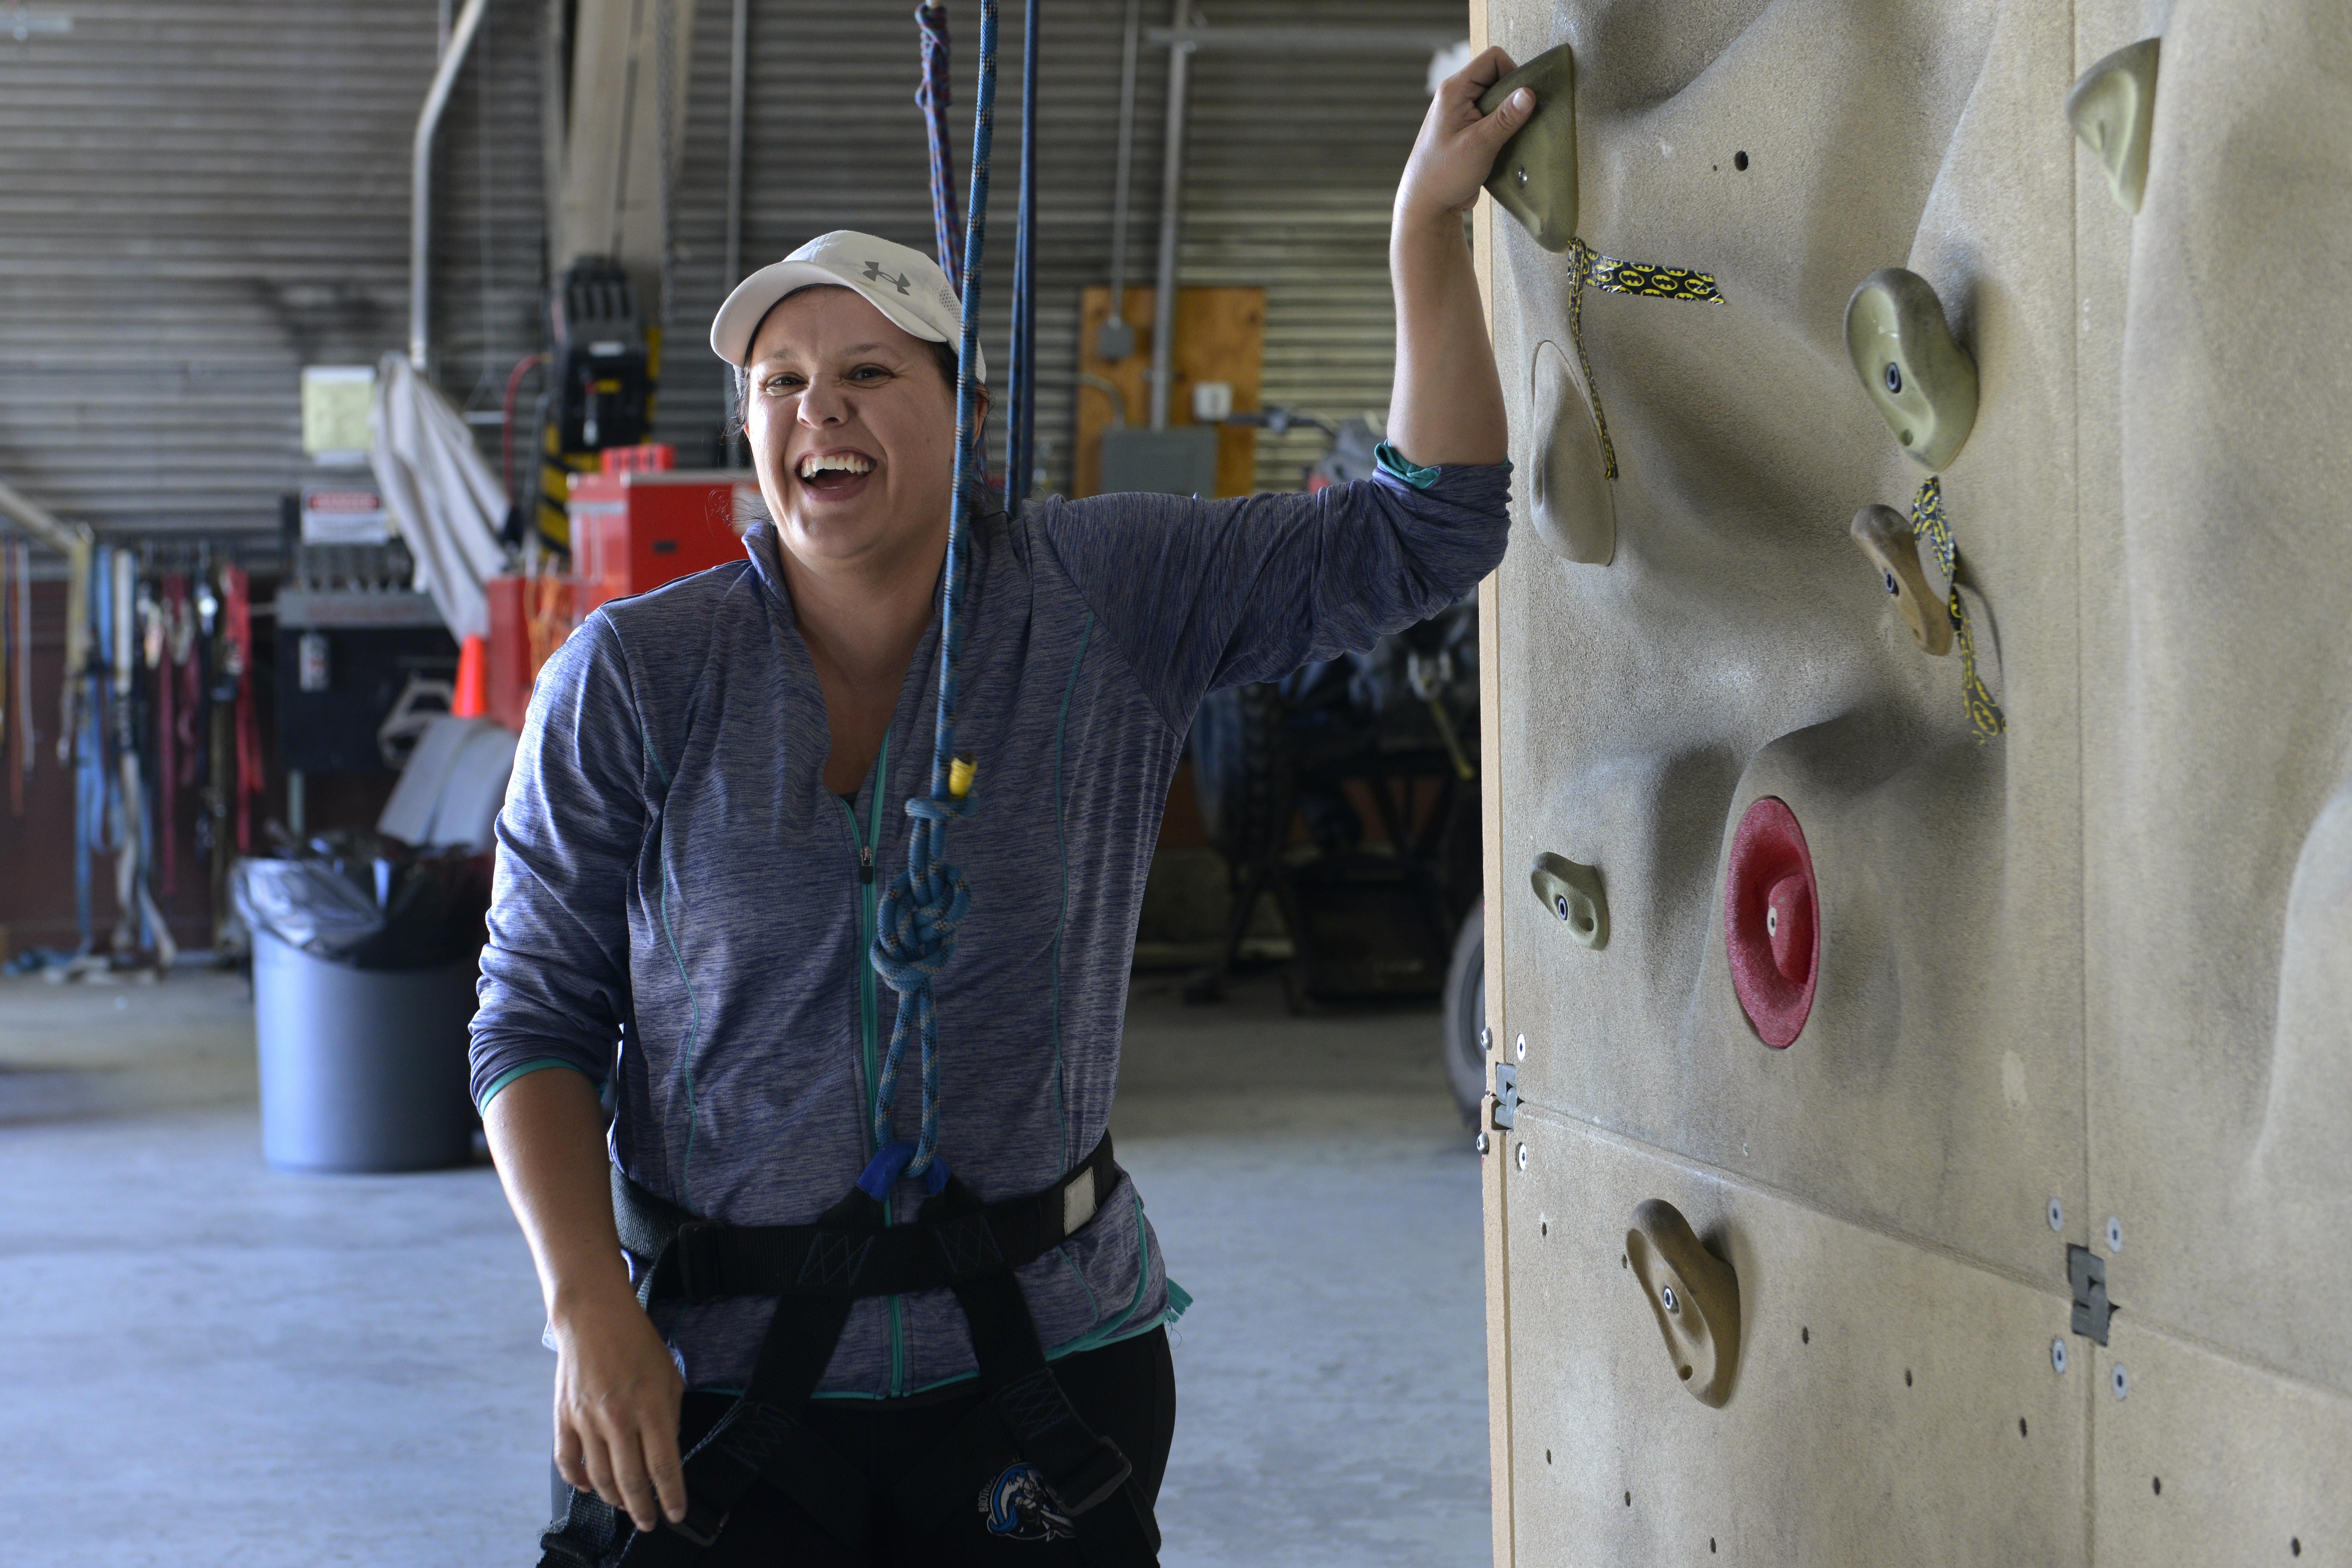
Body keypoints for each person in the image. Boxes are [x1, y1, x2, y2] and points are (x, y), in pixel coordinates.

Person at [473, 47, 1534, 1568]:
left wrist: (1423, 227)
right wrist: (584, 1305)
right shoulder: (635, 675)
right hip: (712, 1376)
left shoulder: (1105, 597)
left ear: (963, 413)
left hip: (1041, 1368)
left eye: (868, 374)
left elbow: (1428, 531)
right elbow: (534, 1013)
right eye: (780, 383)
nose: (818, 410)